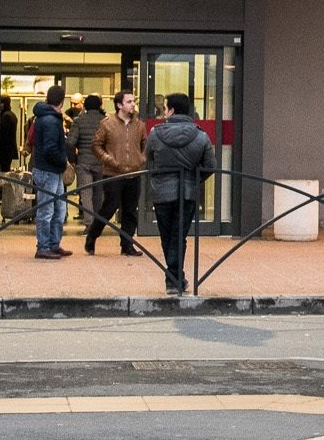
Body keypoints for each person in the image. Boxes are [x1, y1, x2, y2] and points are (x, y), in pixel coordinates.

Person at [145, 92, 216, 295]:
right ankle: (175, 278)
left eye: (165, 108)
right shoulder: (201, 135)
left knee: (167, 235)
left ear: (171, 110)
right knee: (179, 236)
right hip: (187, 192)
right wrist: (194, 180)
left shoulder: (155, 133)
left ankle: (173, 279)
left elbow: (148, 158)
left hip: (161, 192)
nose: (164, 112)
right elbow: (210, 166)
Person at [90, 90, 148, 257]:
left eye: (133, 101)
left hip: (134, 173)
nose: (133, 105)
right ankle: (92, 236)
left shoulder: (139, 125)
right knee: (109, 207)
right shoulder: (107, 124)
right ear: (119, 105)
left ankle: (127, 245)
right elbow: (96, 145)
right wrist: (108, 159)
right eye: (129, 102)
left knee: (130, 210)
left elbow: (146, 144)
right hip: (112, 173)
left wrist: (141, 158)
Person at [27, 84, 71, 259]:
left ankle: (53, 243)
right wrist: (64, 161)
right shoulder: (51, 120)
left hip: (49, 169)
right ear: (62, 101)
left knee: (58, 208)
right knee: (48, 210)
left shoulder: (43, 117)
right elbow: (50, 149)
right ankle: (44, 246)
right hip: (49, 170)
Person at [66, 93, 107, 251]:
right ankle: (98, 223)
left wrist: (73, 160)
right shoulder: (106, 121)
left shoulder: (79, 121)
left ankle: (89, 224)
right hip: (102, 162)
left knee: (86, 193)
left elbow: (70, 142)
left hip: (83, 162)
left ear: (86, 106)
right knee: (99, 193)